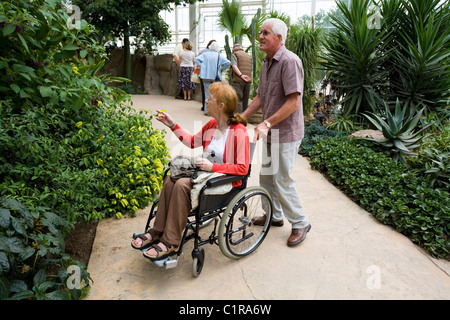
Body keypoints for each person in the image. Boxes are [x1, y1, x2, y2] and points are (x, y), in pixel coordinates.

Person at [131, 82, 250, 261]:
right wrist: (172, 125)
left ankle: (171, 242)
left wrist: (213, 167)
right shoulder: (212, 125)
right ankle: (157, 231)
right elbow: (192, 142)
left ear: (221, 106)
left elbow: (243, 169)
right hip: (205, 174)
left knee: (181, 185)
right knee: (171, 179)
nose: (206, 100)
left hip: (225, 181)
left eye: (210, 98)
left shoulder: (238, 131)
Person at [242, 18, 311, 247]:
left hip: (286, 132)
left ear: (279, 38)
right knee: (267, 176)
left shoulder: (290, 62)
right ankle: (275, 215)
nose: (260, 36)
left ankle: (300, 222)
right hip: (271, 131)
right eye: (260, 32)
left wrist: (267, 123)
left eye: (266, 32)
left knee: (282, 178)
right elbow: (261, 97)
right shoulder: (265, 62)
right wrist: (241, 118)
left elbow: (293, 102)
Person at [194, 41, 231, 115]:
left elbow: (195, 60)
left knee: (207, 93)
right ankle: (214, 111)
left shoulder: (205, 54)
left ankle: (206, 111)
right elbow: (228, 63)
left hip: (205, 76)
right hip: (215, 76)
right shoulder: (219, 55)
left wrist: (203, 65)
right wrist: (222, 69)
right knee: (215, 94)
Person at [230, 43, 252, 113]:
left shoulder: (235, 54)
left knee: (238, 100)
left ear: (234, 49)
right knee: (245, 101)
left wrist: (241, 75)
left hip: (238, 80)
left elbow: (234, 66)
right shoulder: (248, 56)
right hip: (248, 81)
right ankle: (244, 119)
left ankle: (238, 118)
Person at [198, 40, 217, 111]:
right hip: (214, 73)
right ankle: (212, 108)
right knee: (214, 92)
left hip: (203, 73)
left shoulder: (202, 51)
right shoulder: (215, 52)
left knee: (204, 91)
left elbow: (198, 61)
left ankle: (204, 106)